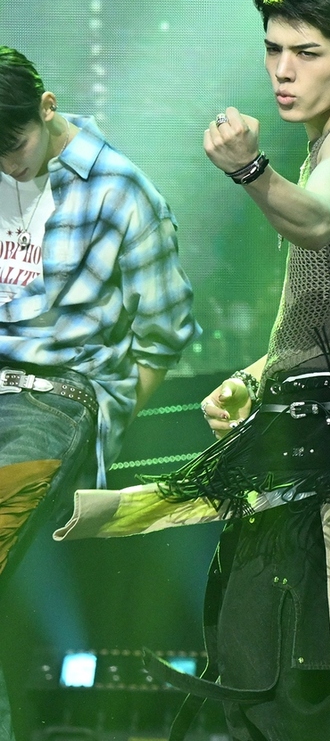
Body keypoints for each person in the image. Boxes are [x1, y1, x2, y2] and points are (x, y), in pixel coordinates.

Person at [52, 0, 330, 741]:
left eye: (307, 52)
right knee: (281, 632)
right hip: (323, 412)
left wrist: (250, 170)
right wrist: (255, 377)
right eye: (273, 49)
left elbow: (317, 221)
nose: (283, 70)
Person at [0, 46, 197, 739]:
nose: (8, 167)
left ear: (47, 107)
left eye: (16, 148)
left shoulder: (120, 192)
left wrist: (105, 419)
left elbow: (164, 331)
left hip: (55, 400)